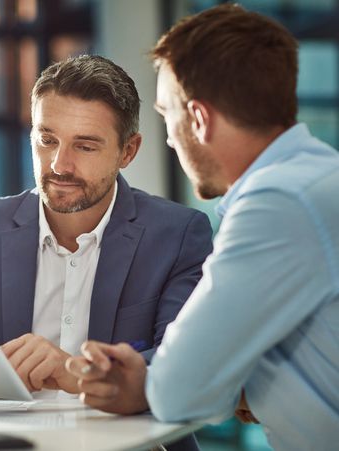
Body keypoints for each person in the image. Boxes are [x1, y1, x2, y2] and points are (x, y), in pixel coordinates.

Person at [0, 55, 212, 420]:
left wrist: (74, 372)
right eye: (47, 140)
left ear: (128, 151)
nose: (60, 164)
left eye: (85, 146)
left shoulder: (177, 235)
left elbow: (184, 363)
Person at [66, 5, 339, 450]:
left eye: (166, 115)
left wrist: (152, 383)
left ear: (198, 118)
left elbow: (180, 391)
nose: (169, 138)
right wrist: (240, 385)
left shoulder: (278, 203)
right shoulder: (315, 178)